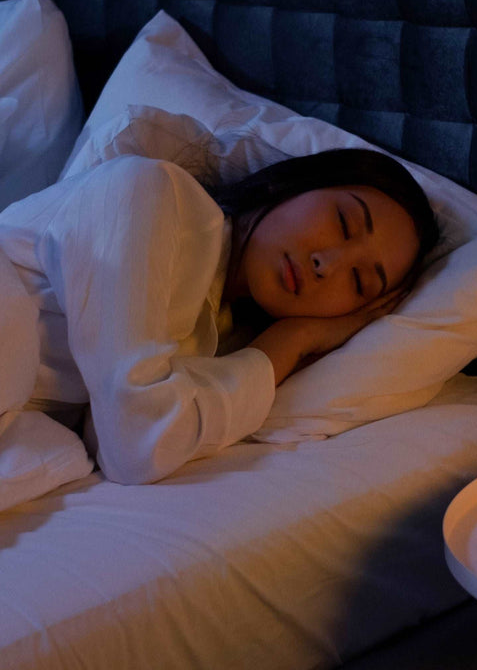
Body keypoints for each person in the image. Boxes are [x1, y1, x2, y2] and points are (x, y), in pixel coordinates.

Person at [0, 148, 438, 486]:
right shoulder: (147, 193)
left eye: (359, 282)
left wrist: (294, 340)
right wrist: (291, 341)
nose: (328, 263)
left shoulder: (216, 338)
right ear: (292, 185)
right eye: (343, 221)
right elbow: (136, 443)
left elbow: (109, 439)